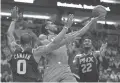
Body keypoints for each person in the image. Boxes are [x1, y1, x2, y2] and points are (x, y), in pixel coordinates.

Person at [7, 6, 72, 82]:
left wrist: (13, 20)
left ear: (20, 42)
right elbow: (53, 45)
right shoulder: (35, 52)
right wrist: (66, 28)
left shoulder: (14, 50)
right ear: (31, 42)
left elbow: (9, 34)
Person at [36, 14, 103, 82]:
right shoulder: (43, 37)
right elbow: (53, 45)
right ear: (46, 27)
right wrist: (66, 29)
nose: (55, 25)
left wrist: (91, 22)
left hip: (65, 69)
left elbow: (80, 32)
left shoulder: (63, 36)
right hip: (52, 68)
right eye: (52, 24)